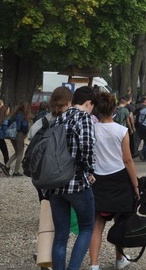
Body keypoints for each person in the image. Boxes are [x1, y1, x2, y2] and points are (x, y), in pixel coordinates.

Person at [45, 86, 96, 270]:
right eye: (92, 106)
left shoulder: (57, 118)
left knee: (61, 235)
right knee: (87, 227)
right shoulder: (84, 118)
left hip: (54, 184)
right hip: (76, 183)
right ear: (89, 103)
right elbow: (87, 147)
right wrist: (89, 171)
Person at [88, 93, 138, 270]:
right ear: (114, 109)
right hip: (119, 178)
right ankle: (119, 259)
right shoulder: (121, 130)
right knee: (120, 222)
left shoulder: (92, 129)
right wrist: (136, 184)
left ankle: (94, 264)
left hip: (97, 178)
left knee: (97, 224)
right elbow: (127, 160)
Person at [5, 100, 31, 176]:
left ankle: (7, 165)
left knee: (17, 152)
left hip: (12, 134)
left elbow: (9, 122)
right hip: (19, 134)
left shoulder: (14, 114)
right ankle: (16, 171)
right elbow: (24, 126)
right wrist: (25, 133)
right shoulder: (22, 116)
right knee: (20, 153)